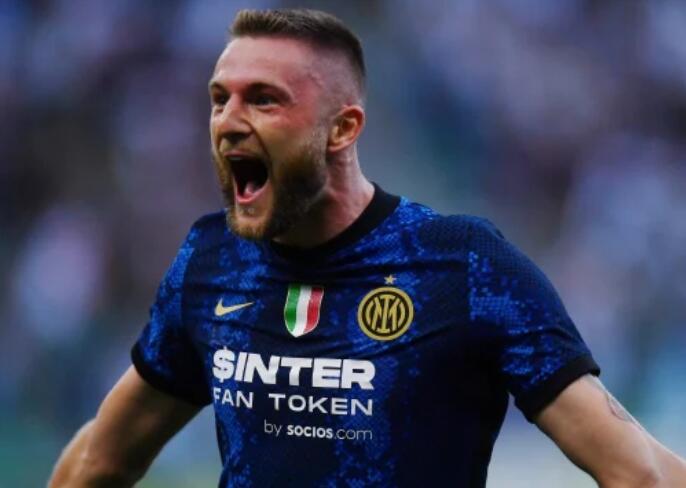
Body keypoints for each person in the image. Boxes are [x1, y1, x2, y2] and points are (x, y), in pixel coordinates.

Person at [49, 8, 686, 488]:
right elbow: (101, 458)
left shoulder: (464, 266)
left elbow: (640, 474)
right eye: (220, 99)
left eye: (263, 100)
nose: (228, 121)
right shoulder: (212, 260)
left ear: (343, 129)